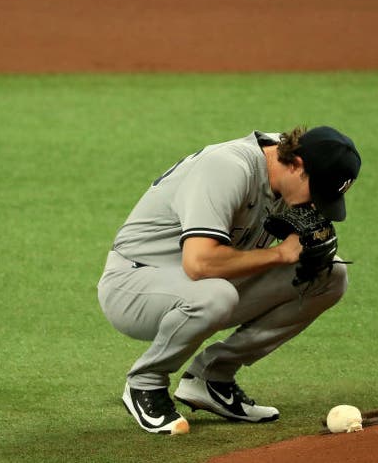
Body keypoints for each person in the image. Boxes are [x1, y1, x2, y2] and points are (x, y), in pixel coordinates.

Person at [97, 126, 361, 435]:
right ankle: (145, 384)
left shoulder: (284, 173)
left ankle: (212, 378)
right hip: (132, 285)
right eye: (316, 194)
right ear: (297, 165)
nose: (315, 206)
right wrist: (280, 255)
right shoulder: (228, 168)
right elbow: (199, 263)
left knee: (329, 274)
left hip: (203, 284)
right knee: (215, 295)